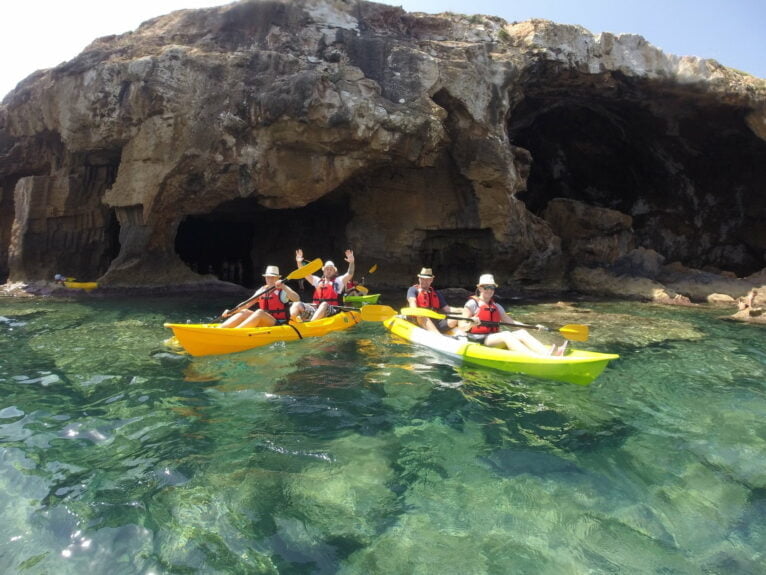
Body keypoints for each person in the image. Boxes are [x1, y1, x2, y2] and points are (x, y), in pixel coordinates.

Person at [460, 273, 567, 356]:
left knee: (521, 332)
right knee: (506, 335)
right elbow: (462, 326)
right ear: (480, 288)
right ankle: (532, 358)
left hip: (492, 337)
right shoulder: (472, 304)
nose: (489, 290)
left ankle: (546, 353)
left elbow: (511, 322)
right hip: (478, 339)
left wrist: (533, 327)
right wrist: (471, 324)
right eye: (486, 287)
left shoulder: (496, 306)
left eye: (492, 287)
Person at [220, 265, 300, 328]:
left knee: (259, 312)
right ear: (265, 278)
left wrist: (284, 287)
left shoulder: (283, 289)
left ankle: (236, 333)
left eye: (273, 277)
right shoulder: (262, 290)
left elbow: (296, 299)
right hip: (263, 320)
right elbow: (247, 304)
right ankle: (222, 329)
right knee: (245, 312)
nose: (270, 279)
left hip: (279, 323)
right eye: (268, 277)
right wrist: (231, 312)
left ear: (278, 278)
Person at [290, 249, 355, 321]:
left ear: (334, 272)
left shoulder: (338, 281)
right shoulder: (317, 281)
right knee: (297, 304)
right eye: (327, 269)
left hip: (332, 310)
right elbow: (304, 273)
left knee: (324, 304)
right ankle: (293, 322)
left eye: (331, 269)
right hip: (316, 310)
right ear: (324, 271)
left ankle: (311, 324)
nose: (329, 271)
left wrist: (351, 262)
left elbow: (350, 274)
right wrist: (299, 262)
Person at [406, 267, 462, 333]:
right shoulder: (413, 290)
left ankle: (462, 334)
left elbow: (447, 309)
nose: (424, 281)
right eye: (422, 279)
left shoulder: (437, 294)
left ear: (431, 280)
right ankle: (437, 335)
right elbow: (412, 302)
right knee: (422, 316)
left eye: (427, 279)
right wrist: (416, 311)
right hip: (418, 320)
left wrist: (462, 311)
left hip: (434, 320)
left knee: (456, 318)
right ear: (419, 279)